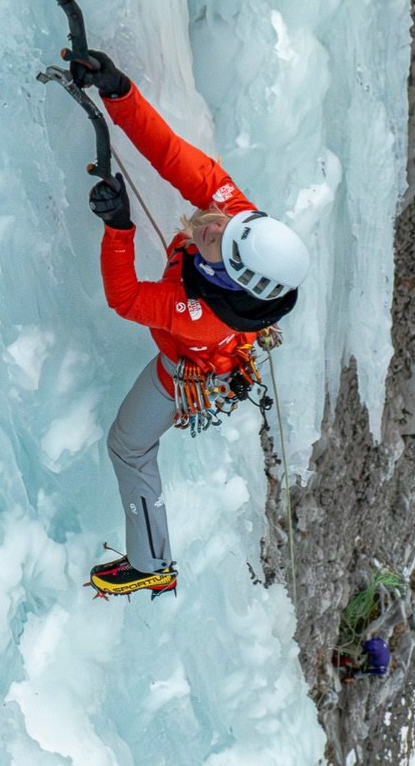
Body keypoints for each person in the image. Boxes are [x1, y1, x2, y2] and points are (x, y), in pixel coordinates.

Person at [68, 49, 310, 598]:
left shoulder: (197, 315)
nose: (211, 225)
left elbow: (128, 300)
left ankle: (151, 561)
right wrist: (119, 91)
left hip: (189, 370)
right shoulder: (237, 218)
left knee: (128, 447)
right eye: (226, 223)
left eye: (219, 242)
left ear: (235, 279)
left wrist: (119, 228)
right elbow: (174, 157)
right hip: (219, 355)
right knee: (130, 446)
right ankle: (152, 555)